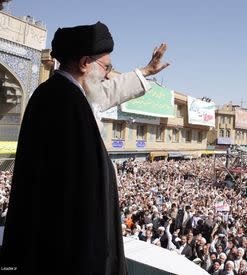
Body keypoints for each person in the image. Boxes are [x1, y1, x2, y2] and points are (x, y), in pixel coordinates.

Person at [0, 21, 169, 274]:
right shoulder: (67, 104)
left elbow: (106, 92)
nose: (107, 74)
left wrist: (145, 71)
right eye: (106, 67)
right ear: (83, 64)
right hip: (66, 251)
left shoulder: (66, 93)